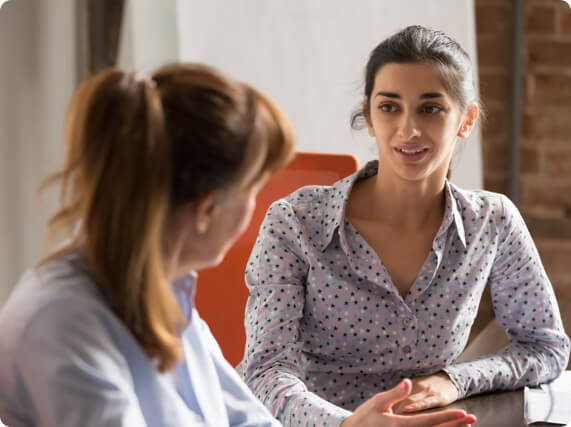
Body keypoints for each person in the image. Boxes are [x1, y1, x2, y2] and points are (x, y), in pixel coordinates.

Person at [0, 63, 478, 427]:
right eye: (253, 188)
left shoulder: (165, 294)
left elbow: (246, 420)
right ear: (208, 208)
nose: (262, 206)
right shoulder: (62, 326)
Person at [238, 25, 571, 427]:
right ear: (369, 117)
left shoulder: (492, 222)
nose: (408, 129)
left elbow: (546, 347)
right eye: (389, 107)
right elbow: (265, 371)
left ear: (466, 120)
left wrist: (453, 380)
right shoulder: (295, 223)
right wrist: (348, 426)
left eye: (430, 108)